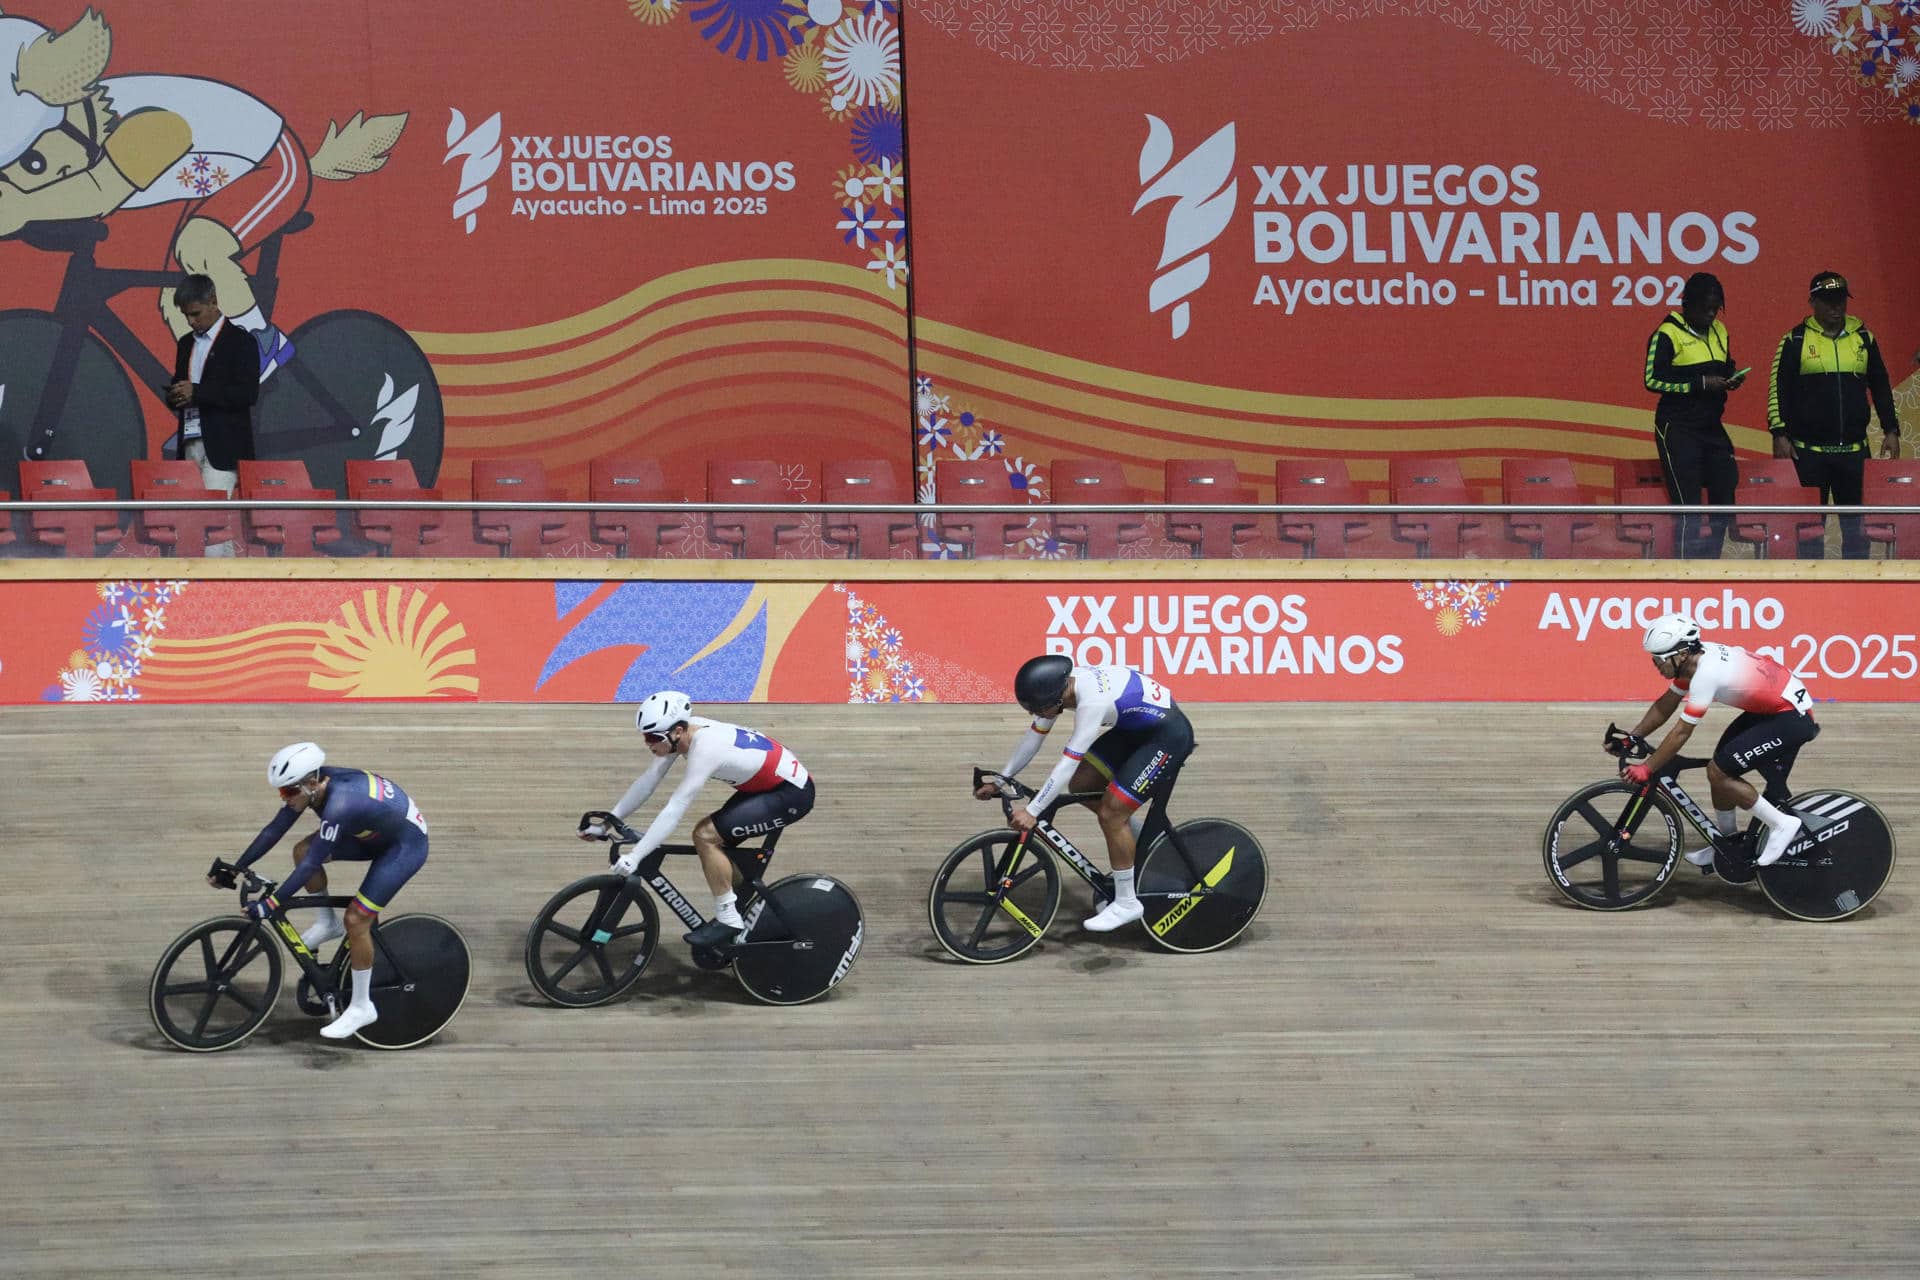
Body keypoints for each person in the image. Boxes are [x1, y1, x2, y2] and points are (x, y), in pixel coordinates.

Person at [216, 743, 431, 1039]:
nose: (285, 799)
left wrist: (270, 905)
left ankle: (361, 1006)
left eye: (288, 792)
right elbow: (274, 829)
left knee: (356, 920)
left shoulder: (340, 804)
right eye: (282, 792)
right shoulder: (313, 787)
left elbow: (310, 867)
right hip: (372, 833)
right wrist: (236, 867)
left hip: (403, 847)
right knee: (302, 851)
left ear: (312, 783)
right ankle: (326, 922)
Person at [979, 655, 1195, 932]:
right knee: (1083, 784)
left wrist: (1033, 811)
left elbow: (1067, 763)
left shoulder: (1091, 702)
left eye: (1039, 709)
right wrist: (1001, 779)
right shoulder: (1062, 686)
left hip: (1166, 737)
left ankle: (1128, 903)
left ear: (1056, 699)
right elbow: (1035, 737)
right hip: (1133, 730)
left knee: (1111, 813)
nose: (1037, 715)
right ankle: (1144, 840)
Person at [591, 691, 816, 948]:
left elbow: (676, 807)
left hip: (790, 794)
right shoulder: (683, 733)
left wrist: (636, 855)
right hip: (763, 787)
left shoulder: (706, 747)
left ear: (676, 731)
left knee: (705, 836)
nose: (647, 743)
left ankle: (729, 918)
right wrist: (608, 822)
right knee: (717, 847)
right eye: (644, 736)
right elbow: (647, 783)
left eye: (652, 737)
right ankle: (745, 901)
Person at [1621, 614, 1818, 871]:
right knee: (1720, 767)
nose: (1655, 664)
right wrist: (1634, 736)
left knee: (1719, 772)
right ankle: (1727, 844)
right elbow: (1666, 704)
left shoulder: (1705, 674)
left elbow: (1681, 733)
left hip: (1791, 717)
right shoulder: (1692, 661)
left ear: (1680, 654)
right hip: (1773, 708)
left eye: (1659, 658)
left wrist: (1647, 768)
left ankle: (1782, 824)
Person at [1767, 271, 1903, 559]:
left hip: (1854, 452)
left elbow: (1880, 386)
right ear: (1812, 302)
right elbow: (1778, 389)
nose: (1835, 307)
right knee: (1809, 533)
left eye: (1840, 300)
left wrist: (1891, 429)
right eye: (1828, 301)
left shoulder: (1864, 337)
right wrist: (1779, 433)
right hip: (1808, 453)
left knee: (1857, 534)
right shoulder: (1795, 340)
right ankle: (1811, 598)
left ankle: (1855, 598)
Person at [1643, 272, 1746, 559]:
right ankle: (1686, 571)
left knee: (1725, 485)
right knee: (1688, 505)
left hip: (1711, 425)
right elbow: (1652, 380)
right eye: (1706, 308)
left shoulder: (1720, 331)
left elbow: (1724, 365)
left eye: (1716, 308)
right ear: (1687, 305)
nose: (1711, 314)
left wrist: (1731, 377)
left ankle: (1711, 562)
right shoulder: (1667, 333)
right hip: (1678, 426)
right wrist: (1699, 383)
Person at [163, 273, 256, 556]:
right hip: (190, 441)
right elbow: (185, 388)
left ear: (213, 302)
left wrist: (197, 392)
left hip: (223, 445)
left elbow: (247, 394)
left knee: (212, 521)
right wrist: (176, 396)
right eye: (186, 316)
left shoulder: (241, 342)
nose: (191, 321)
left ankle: (215, 583)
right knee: (196, 521)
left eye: (196, 313)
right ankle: (224, 583)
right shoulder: (185, 343)